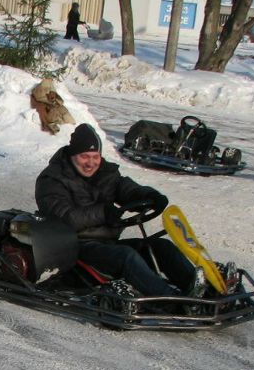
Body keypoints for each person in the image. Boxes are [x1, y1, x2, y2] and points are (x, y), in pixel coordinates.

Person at [35, 123, 204, 298]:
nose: (90, 163)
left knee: (161, 247)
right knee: (126, 256)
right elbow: (64, 218)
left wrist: (150, 196)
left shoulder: (105, 173)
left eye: (95, 156)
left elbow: (127, 189)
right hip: (72, 248)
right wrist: (103, 213)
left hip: (106, 245)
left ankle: (199, 290)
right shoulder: (52, 179)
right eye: (84, 156)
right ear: (72, 155)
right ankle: (171, 300)